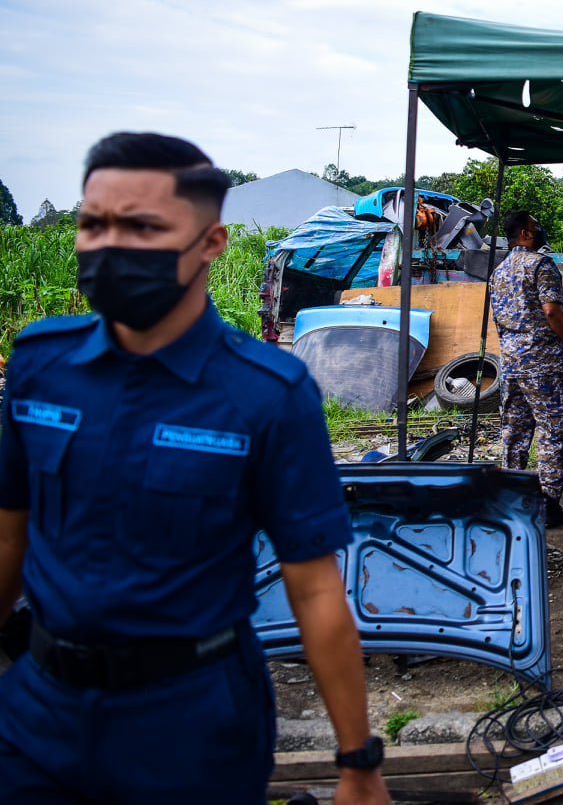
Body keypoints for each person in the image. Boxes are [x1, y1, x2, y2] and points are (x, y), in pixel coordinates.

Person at [0, 132, 389, 804]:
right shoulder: (41, 365)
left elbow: (317, 590)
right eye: (94, 223)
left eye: (143, 226)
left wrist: (357, 761)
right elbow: (8, 535)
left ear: (211, 242)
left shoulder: (267, 393)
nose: (109, 245)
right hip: (38, 706)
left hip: (189, 718)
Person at [489, 211, 563, 527]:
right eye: (537, 226)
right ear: (526, 235)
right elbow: (551, 311)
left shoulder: (499, 272)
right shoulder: (541, 266)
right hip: (542, 363)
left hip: (511, 365)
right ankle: (545, 507)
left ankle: (513, 503)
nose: (542, 230)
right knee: (555, 428)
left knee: (515, 433)